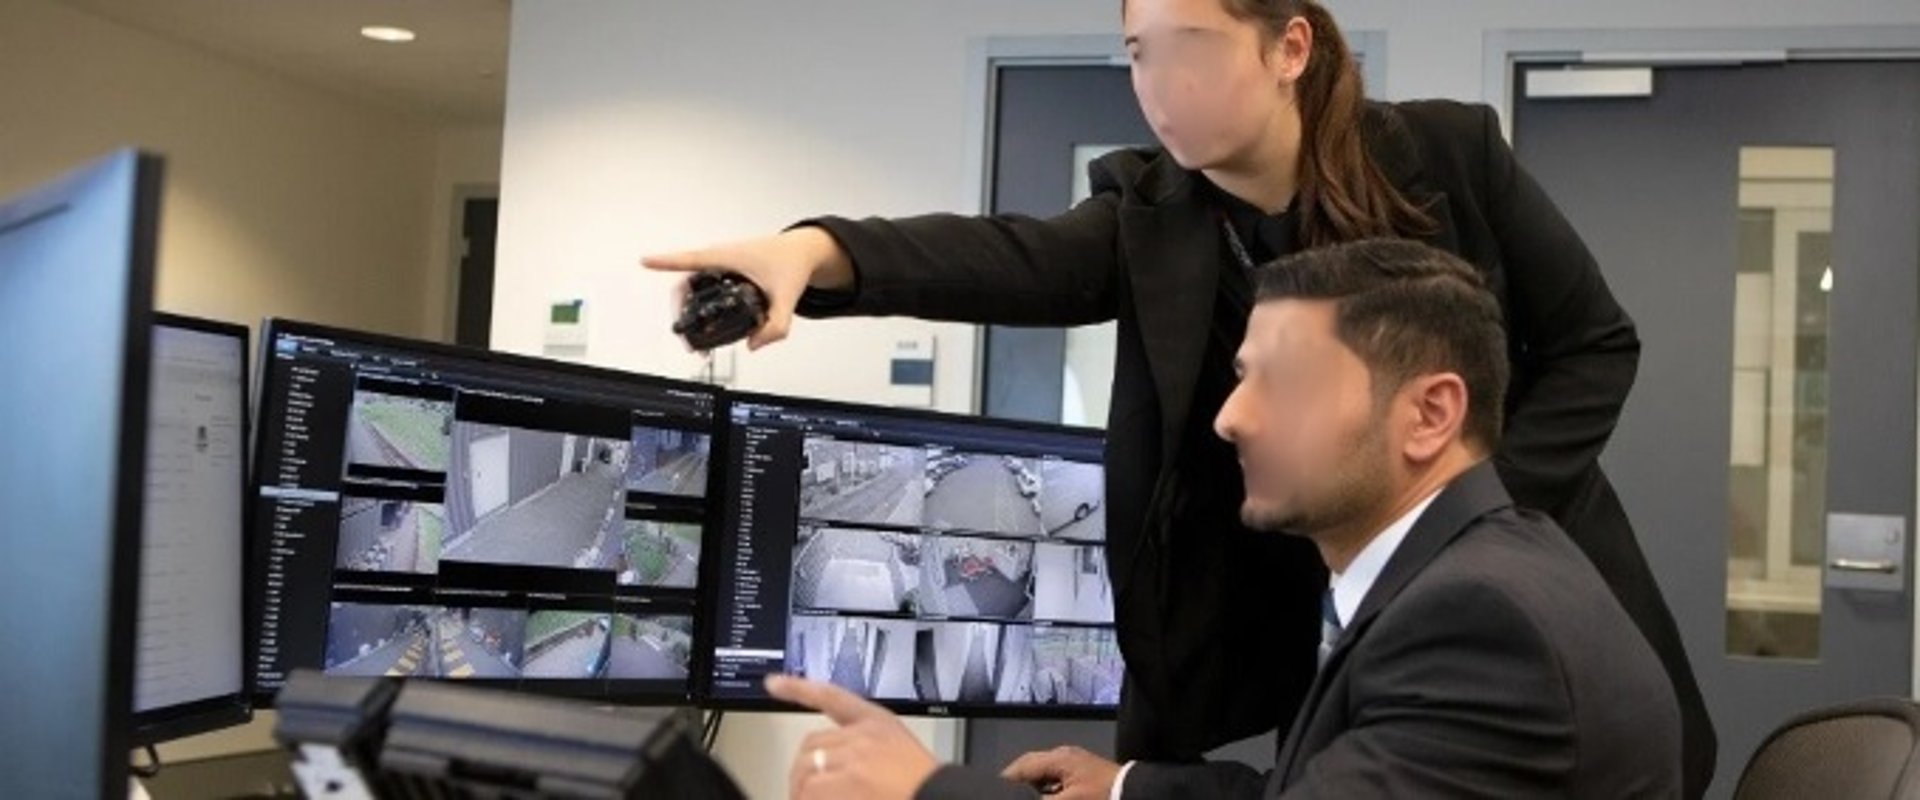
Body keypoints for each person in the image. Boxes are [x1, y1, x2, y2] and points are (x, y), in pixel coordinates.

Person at [644, 0, 1713, 792]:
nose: (1160, 87)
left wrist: (1450, 520)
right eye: (1140, 55)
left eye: (1192, 49)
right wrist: (812, 254)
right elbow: (1004, 256)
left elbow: (1595, 343)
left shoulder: (1448, 156)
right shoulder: (1152, 210)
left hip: (1467, 560)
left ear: (1290, 46)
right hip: (1273, 608)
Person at [766, 239, 1684, 799]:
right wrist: (1128, 788)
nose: (1230, 417)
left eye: (1276, 382)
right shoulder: (1474, 567)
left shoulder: (1482, 624)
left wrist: (928, 787)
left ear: (1430, 415)